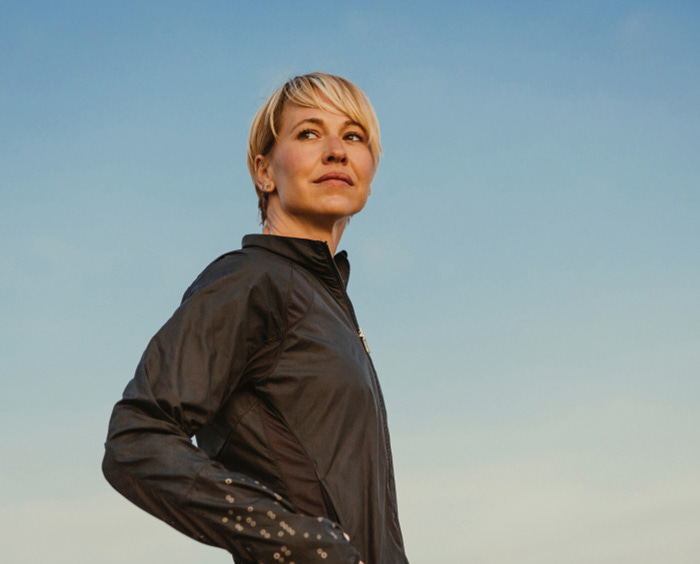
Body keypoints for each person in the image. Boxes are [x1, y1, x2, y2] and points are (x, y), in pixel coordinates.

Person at [102, 72, 409, 564]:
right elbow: (136, 437)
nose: (337, 149)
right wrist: (298, 542)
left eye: (354, 136)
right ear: (264, 172)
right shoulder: (254, 281)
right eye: (309, 132)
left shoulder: (330, 309)